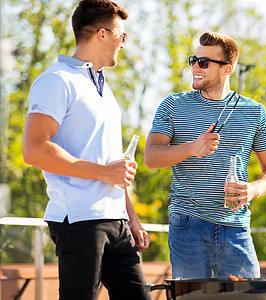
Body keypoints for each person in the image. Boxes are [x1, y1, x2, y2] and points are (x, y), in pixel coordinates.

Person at [22, 1, 151, 299]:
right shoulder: (57, 80)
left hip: (116, 221)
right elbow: (34, 149)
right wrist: (104, 173)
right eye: (122, 35)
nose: (124, 42)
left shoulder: (104, 89)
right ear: (102, 34)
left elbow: (114, 167)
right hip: (79, 219)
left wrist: (130, 217)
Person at [144, 31, 266, 278]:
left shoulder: (255, 113)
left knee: (249, 297)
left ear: (227, 69)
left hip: (236, 227)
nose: (195, 66)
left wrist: (253, 189)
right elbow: (151, 157)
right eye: (193, 60)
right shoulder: (173, 105)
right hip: (188, 224)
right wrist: (193, 147)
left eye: (204, 62)